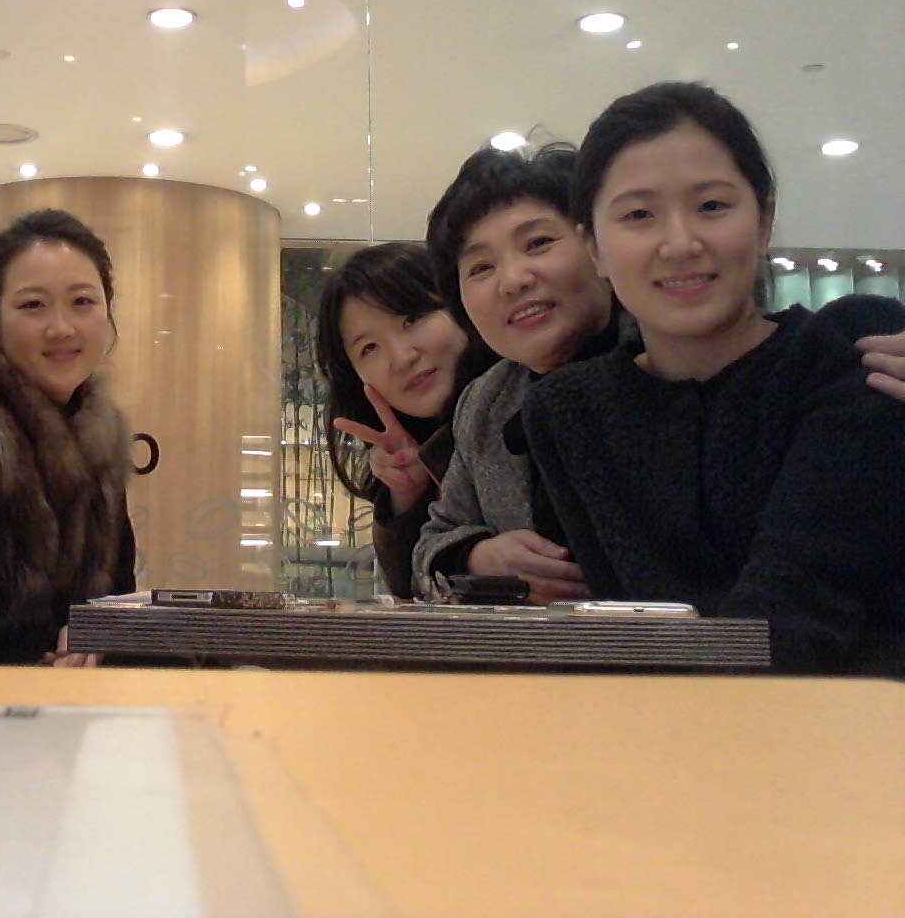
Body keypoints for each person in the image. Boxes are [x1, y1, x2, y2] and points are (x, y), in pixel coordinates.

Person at [523, 82, 905, 675]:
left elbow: (798, 611)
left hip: (856, 718)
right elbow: (610, 621)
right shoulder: (567, 410)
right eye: (639, 215)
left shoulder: (848, 355)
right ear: (592, 246)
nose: (680, 243)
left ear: (764, 219)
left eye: (712, 206)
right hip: (667, 719)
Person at [410, 144, 615, 602]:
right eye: (481, 267)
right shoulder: (487, 400)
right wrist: (476, 558)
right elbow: (433, 543)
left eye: (538, 243)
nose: (513, 279)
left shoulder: (669, 360)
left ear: (599, 246)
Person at [0, 209, 137, 665]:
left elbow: (115, 598)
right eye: (32, 306)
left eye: (82, 302)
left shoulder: (100, 438)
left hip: (72, 698)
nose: (61, 328)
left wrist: (94, 639)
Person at [315, 242, 496, 598]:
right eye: (369, 348)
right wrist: (408, 497)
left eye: (413, 318)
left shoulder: (524, 404)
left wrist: (474, 557)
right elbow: (412, 600)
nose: (401, 357)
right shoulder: (425, 452)